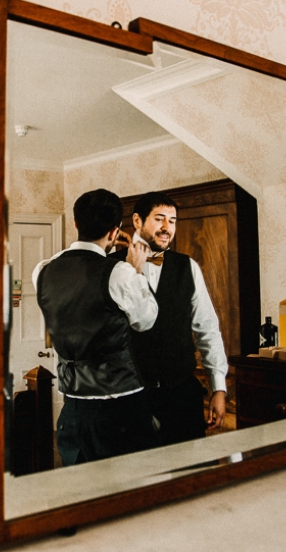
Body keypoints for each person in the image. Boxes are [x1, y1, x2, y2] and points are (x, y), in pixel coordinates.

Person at [32, 189, 158, 466]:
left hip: (73, 410)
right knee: (131, 497)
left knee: (81, 496)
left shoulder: (42, 270)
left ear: (76, 223)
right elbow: (146, 320)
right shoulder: (120, 273)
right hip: (120, 410)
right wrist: (136, 269)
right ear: (115, 232)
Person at [111, 191, 228, 446]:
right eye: (159, 219)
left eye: (172, 221)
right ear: (138, 221)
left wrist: (218, 388)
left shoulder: (189, 267)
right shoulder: (110, 266)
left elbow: (208, 330)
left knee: (191, 474)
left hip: (181, 395)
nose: (167, 228)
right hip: (128, 397)